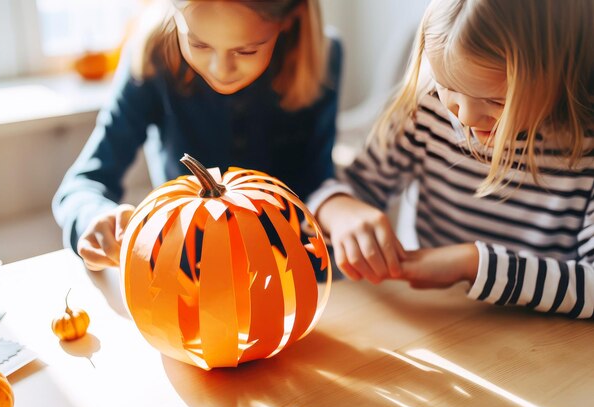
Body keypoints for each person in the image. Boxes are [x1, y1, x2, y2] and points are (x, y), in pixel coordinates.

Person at [309, 0, 594, 318]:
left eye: (495, 100)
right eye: (449, 87)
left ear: (559, 72)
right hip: (442, 323)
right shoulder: (429, 108)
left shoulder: (586, 148)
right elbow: (352, 190)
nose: (467, 116)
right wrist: (337, 209)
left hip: (551, 343)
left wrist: (472, 264)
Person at [53, 0, 342, 271]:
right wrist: (95, 219)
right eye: (198, 43)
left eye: (246, 51)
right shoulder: (152, 56)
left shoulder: (321, 57)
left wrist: (337, 206)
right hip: (185, 275)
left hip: (289, 275)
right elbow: (83, 184)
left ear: (290, 19)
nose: (221, 70)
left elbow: (316, 181)